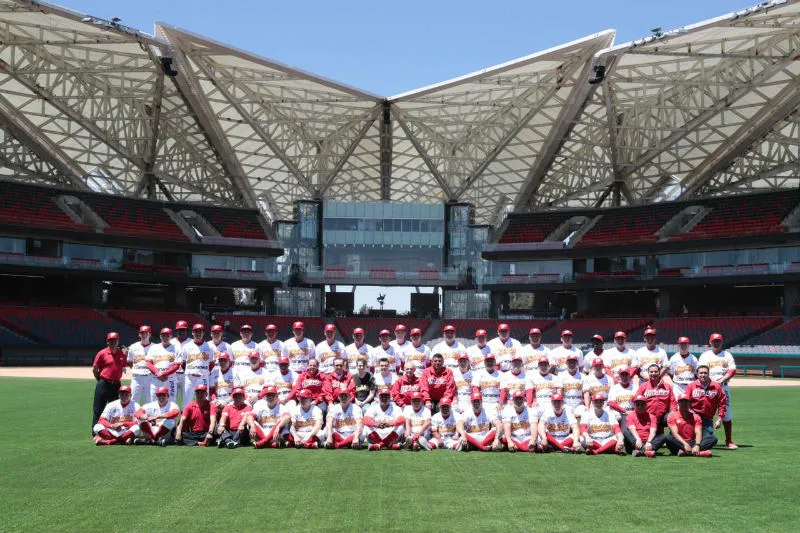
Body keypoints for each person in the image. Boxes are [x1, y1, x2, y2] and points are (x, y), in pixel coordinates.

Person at [698, 333, 738, 449]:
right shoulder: (705, 356)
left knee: (726, 413)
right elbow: (701, 371)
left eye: (718, 341)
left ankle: (729, 440)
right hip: (708, 387)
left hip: (723, 386)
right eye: (714, 341)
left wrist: (722, 380)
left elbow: (732, 370)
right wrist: (712, 382)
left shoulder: (727, 355)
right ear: (710, 342)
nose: (716, 343)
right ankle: (701, 437)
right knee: (704, 411)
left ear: (721, 342)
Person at [91, 331, 127, 430]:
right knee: (98, 409)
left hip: (116, 385)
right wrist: (100, 380)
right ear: (107, 341)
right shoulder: (102, 353)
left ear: (118, 341)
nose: (113, 342)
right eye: (111, 340)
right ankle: (96, 432)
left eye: (115, 340)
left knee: (114, 410)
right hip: (104, 383)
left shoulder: (122, 354)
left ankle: (111, 431)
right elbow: (95, 369)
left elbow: (123, 366)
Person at [685, 365, 728, 445]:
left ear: (709, 374)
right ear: (697, 375)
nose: (703, 375)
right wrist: (689, 414)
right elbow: (685, 402)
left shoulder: (716, 386)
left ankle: (696, 445)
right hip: (693, 418)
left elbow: (722, 403)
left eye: (705, 373)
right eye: (701, 373)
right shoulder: (691, 386)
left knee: (710, 440)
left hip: (707, 419)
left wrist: (719, 419)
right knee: (687, 437)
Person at [181, 324, 216, 407]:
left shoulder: (210, 346)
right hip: (189, 378)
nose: (198, 333)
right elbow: (183, 364)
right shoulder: (186, 346)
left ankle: (204, 419)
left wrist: (204, 371)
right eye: (196, 331)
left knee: (204, 400)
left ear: (203, 333)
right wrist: (191, 370)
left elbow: (212, 363)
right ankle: (185, 419)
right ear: (192, 333)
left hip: (203, 377)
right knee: (186, 401)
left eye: (200, 331)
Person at [635, 363, 675, 431]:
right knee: (650, 436)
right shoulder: (643, 386)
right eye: (651, 372)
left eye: (656, 371)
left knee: (674, 418)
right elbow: (636, 400)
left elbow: (673, 401)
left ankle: (672, 439)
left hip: (663, 416)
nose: (653, 373)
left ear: (659, 372)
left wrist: (672, 412)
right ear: (648, 373)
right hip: (648, 416)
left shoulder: (667, 386)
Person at [145, 328, 181, 402]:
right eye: (163, 335)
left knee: (171, 401)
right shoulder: (154, 347)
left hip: (170, 379)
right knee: (154, 401)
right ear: (160, 336)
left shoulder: (176, 348)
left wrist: (165, 374)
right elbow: (148, 363)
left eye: (167, 336)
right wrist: (157, 373)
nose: (165, 338)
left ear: (171, 336)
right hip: (156, 378)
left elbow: (177, 365)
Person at [127, 325, 153, 406]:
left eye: (146, 333)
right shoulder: (133, 346)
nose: (144, 335)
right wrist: (137, 369)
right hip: (136, 378)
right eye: (142, 333)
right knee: (133, 400)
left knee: (150, 401)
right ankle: (133, 418)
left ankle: (148, 418)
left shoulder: (155, 347)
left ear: (150, 334)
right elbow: (130, 362)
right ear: (139, 334)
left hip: (150, 377)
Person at [471, 354, 502, 420]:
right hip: (484, 402)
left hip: (496, 402)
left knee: (498, 420)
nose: (490, 363)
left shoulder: (501, 374)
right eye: (488, 361)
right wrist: (479, 403)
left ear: (495, 362)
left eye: (491, 361)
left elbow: (503, 390)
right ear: (484, 362)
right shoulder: (478, 373)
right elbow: (475, 388)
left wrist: (500, 403)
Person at [170, 320, 191, 403]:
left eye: (183, 330)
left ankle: (185, 415)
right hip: (173, 374)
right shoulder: (171, 342)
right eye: (179, 330)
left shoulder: (192, 342)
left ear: (187, 331)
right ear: (176, 331)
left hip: (186, 375)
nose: (181, 332)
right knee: (171, 399)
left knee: (186, 399)